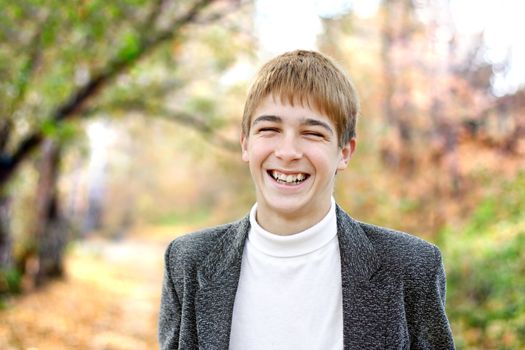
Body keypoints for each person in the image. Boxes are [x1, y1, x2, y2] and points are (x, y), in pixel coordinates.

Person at [158, 50, 455, 350]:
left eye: (312, 133)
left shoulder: (411, 267)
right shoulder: (188, 262)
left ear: (344, 152)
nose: (288, 152)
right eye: (269, 129)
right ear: (246, 143)